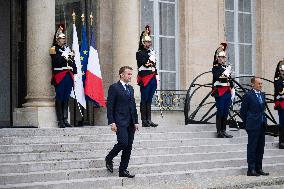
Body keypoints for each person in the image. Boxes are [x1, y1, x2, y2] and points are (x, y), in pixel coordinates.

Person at [105, 66, 139, 178]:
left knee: (128, 147)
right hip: (119, 121)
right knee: (123, 143)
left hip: (130, 123)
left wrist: (136, 121)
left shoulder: (131, 89)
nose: (130, 76)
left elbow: (133, 106)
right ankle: (109, 157)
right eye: (128, 74)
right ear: (121, 75)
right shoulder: (114, 87)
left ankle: (123, 170)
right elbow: (110, 106)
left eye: (131, 74)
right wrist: (112, 122)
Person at [240, 77, 269, 176]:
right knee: (252, 147)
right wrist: (248, 121)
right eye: (258, 83)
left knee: (260, 148)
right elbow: (243, 111)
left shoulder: (262, 94)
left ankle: (258, 168)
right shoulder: (248, 95)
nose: (260, 85)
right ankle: (251, 169)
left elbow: (263, 109)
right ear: (253, 84)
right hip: (252, 125)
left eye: (261, 83)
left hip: (262, 124)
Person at [49, 26, 77, 128]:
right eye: (62, 38)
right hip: (60, 75)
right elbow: (56, 61)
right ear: (57, 39)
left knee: (66, 98)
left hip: (68, 75)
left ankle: (65, 119)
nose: (64, 40)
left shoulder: (67, 50)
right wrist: (64, 56)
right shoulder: (54, 49)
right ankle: (60, 121)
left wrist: (71, 56)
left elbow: (73, 66)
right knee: (60, 97)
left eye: (64, 38)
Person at [136, 25, 158, 127]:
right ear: (143, 42)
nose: (149, 44)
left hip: (152, 77)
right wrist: (151, 57)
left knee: (149, 99)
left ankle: (149, 119)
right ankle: (144, 121)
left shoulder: (151, 52)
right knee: (144, 99)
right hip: (145, 78)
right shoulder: (139, 53)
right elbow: (145, 63)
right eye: (147, 42)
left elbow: (154, 65)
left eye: (149, 42)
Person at [211, 50, 233, 138]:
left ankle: (224, 130)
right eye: (220, 57)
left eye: (223, 57)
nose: (222, 59)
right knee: (220, 110)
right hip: (220, 92)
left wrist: (232, 87)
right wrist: (226, 72)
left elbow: (230, 81)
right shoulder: (215, 68)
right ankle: (219, 131)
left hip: (227, 91)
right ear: (217, 58)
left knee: (226, 112)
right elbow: (218, 78)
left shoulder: (225, 68)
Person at [273, 60, 284, 149]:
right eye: (282, 71)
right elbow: (280, 92)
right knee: (282, 123)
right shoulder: (278, 80)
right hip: (282, 103)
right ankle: (281, 142)